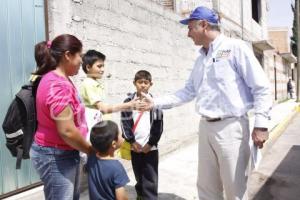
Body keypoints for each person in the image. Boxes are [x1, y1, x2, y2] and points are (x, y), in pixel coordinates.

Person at [138, 6, 272, 200]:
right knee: (207, 188)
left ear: (203, 25)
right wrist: (155, 103)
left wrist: (261, 124)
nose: (188, 33)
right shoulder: (201, 58)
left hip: (231, 128)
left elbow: (261, 87)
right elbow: (188, 91)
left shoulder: (235, 48)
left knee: (234, 189)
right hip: (206, 127)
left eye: (190, 27)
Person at [30, 34, 93, 200]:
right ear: (67, 55)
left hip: (65, 152)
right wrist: (92, 151)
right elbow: (67, 131)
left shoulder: (61, 79)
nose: (82, 61)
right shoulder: (57, 84)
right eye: (80, 55)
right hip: (55, 156)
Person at [121, 70, 163, 200]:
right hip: (135, 147)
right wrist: (132, 141)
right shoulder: (128, 101)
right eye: (140, 82)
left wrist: (150, 143)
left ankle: (150, 197)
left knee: (151, 176)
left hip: (150, 148)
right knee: (138, 174)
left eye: (146, 82)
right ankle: (140, 194)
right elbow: (125, 123)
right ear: (134, 83)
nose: (143, 85)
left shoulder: (156, 103)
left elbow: (158, 125)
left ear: (151, 84)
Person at [87, 120, 130, 200]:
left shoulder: (91, 159)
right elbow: (121, 197)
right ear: (113, 144)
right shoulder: (116, 168)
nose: (123, 136)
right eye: (120, 135)